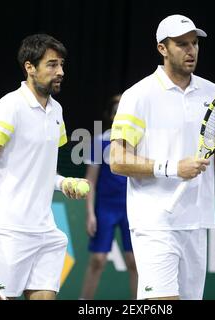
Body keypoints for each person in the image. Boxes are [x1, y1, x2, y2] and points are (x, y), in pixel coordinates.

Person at [109, 14, 215, 300]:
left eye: (194, 43)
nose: (191, 50)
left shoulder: (212, 92)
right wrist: (173, 168)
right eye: (181, 44)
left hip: (197, 221)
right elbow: (117, 160)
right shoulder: (138, 95)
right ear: (162, 48)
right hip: (154, 221)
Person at [0, 34, 89, 300]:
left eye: (62, 65)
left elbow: (40, 169)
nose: (60, 72)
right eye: (52, 65)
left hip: (45, 231)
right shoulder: (6, 109)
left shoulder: (57, 111)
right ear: (29, 67)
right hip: (7, 233)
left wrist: (62, 182)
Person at [79, 94, 137, 300]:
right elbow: (90, 181)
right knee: (98, 259)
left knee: (134, 261)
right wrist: (90, 214)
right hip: (105, 209)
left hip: (132, 209)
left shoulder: (138, 142)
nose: (119, 114)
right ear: (111, 116)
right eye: (116, 111)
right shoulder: (99, 141)